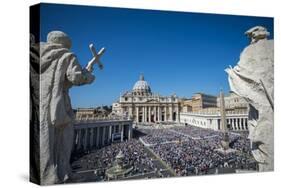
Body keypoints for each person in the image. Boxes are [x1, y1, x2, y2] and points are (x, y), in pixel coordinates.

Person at [39, 31, 97, 184]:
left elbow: (65, 80)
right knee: (62, 140)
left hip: (38, 102)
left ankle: (45, 175)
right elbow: (76, 78)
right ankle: (61, 173)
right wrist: (89, 74)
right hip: (57, 104)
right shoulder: (66, 55)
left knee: (44, 141)